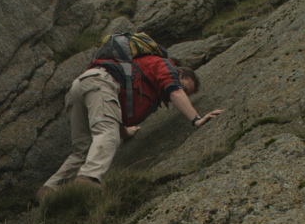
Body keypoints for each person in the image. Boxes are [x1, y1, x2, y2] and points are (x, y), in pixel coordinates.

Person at [37, 52, 224, 198]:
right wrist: (196, 119)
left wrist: (126, 133)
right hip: (101, 83)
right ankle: (88, 179)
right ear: (180, 73)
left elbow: (113, 114)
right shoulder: (166, 68)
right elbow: (174, 92)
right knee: (107, 133)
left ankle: (49, 190)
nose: (182, 92)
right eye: (185, 87)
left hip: (81, 86)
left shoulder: (146, 82)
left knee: (84, 149)